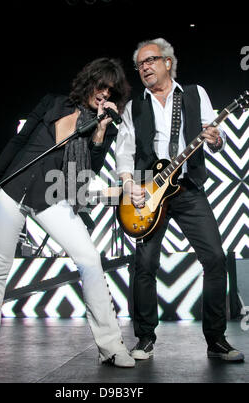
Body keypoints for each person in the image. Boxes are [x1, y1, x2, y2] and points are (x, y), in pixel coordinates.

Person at [0, 57, 136, 368]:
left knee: (89, 259)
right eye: (101, 86)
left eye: (111, 91)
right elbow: (18, 141)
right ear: (90, 81)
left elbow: (89, 173)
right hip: (12, 189)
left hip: (53, 196)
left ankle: (111, 346)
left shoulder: (103, 126)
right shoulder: (52, 103)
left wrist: (99, 132)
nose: (104, 94)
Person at [115, 38, 245, 362]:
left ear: (167, 62)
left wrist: (216, 139)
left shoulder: (194, 93)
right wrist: (129, 184)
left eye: (150, 60)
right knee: (143, 265)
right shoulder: (136, 106)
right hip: (148, 195)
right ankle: (145, 338)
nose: (144, 67)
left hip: (187, 189)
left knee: (215, 258)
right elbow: (124, 152)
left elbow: (214, 135)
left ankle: (216, 341)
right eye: (140, 64)